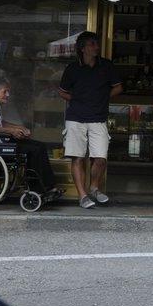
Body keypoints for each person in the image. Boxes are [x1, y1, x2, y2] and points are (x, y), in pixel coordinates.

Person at [59, 31, 121, 208]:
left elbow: (118, 88)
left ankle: (94, 188)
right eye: (92, 44)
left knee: (100, 158)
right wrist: (78, 99)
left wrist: (101, 98)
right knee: (77, 158)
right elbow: (62, 91)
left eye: (96, 43)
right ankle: (82, 195)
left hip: (98, 118)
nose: (96, 47)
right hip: (75, 118)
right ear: (82, 48)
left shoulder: (106, 66)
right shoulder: (72, 68)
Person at [0, 75, 58, 200]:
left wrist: (19, 127)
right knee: (34, 150)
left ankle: (46, 186)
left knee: (39, 146)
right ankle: (40, 188)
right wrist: (12, 131)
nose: (7, 94)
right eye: (5, 91)